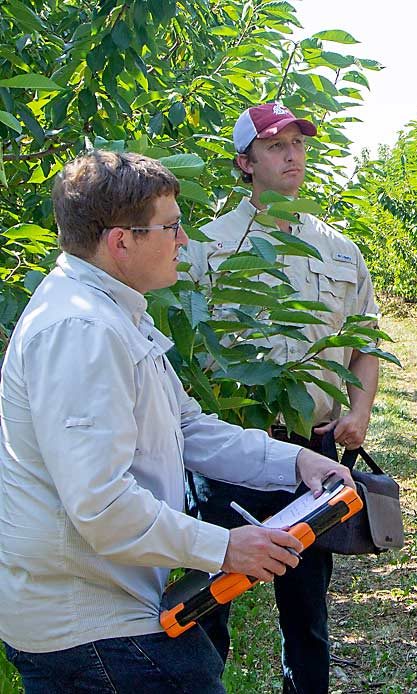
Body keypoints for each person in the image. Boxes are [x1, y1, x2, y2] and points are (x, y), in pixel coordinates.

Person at [0, 150, 353, 694]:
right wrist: (224, 546)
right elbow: (101, 503)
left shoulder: (114, 313)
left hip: (117, 607)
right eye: (171, 227)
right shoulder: (81, 330)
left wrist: (296, 460)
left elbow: (187, 427)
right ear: (122, 241)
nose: (184, 240)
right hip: (92, 630)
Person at [183, 102, 380, 694]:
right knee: (207, 601)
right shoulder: (206, 247)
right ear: (245, 162)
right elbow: (185, 350)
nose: (291, 154)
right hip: (230, 450)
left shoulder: (339, 250)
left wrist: (359, 408)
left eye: (297, 143)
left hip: (311, 456)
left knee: (307, 610)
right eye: (275, 146)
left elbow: (365, 340)